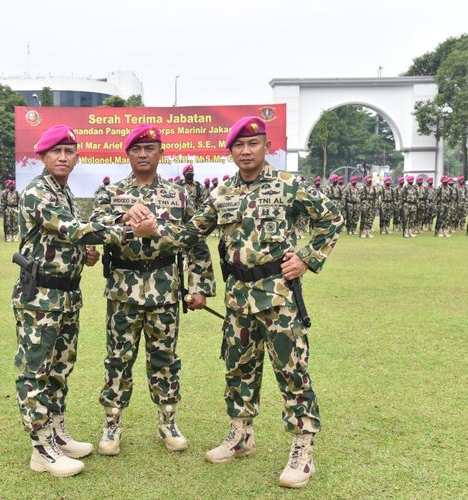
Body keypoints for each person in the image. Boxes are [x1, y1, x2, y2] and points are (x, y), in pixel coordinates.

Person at [129, 116, 342, 488]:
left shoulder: (289, 185)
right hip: (237, 298)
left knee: (292, 371)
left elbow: (332, 219)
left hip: (278, 296)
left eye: (253, 144)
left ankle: (302, 448)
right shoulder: (222, 194)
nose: (246, 151)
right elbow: (189, 233)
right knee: (238, 370)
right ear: (230, 151)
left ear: (266, 147)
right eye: (239, 146)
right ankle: (241, 435)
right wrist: (155, 230)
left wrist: (307, 257)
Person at [12, 124, 156, 477]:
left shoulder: (65, 193)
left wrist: (85, 254)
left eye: (69, 152)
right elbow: (71, 230)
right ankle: (40, 447)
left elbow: (73, 239)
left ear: (76, 157)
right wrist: (126, 228)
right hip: (40, 297)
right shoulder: (38, 192)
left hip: (66, 294)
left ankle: (57, 433)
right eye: (55, 152)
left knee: (60, 368)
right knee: (35, 371)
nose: (63, 157)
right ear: (43, 157)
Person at [89, 124, 215, 457]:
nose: (143, 155)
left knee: (165, 359)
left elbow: (194, 241)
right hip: (123, 291)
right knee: (118, 359)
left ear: (160, 152)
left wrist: (199, 285)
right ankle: (112, 424)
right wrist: (124, 220)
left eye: (150, 148)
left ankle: (168, 422)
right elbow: (96, 231)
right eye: (136, 149)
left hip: (164, 290)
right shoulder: (110, 194)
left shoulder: (178, 195)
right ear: (127, 154)